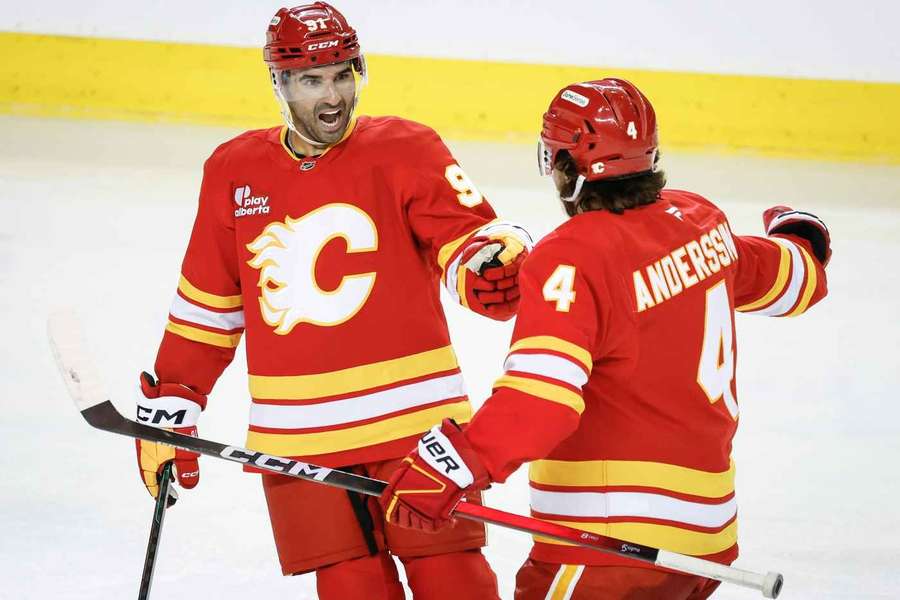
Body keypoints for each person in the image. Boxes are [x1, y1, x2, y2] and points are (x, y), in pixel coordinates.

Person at [132, 3, 532, 599]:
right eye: (312, 80)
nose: (333, 95)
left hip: (416, 430)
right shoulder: (233, 170)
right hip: (300, 439)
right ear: (279, 82)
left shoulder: (407, 149)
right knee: (351, 590)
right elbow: (210, 304)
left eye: (343, 74)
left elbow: (463, 238)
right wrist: (174, 398)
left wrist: (488, 271)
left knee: (454, 580)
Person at [379, 78, 831, 599]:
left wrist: (453, 462)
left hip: (612, 540)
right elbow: (790, 277)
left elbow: (540, 402)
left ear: (566, 169)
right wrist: (802, 235)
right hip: (706, 543)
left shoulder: (574, 255)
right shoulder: (700, 221)